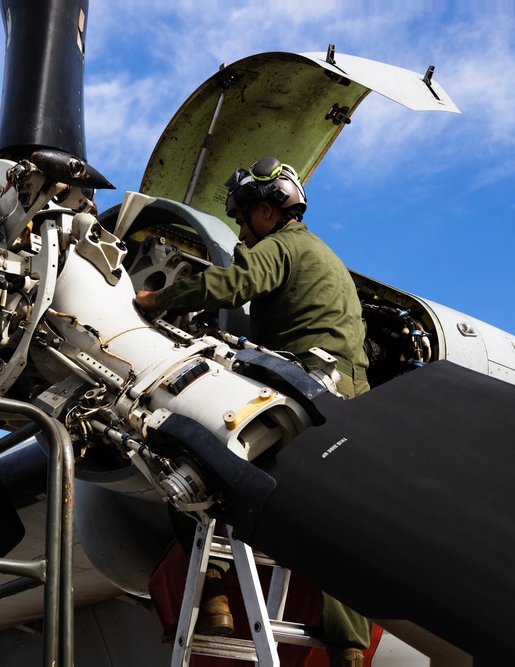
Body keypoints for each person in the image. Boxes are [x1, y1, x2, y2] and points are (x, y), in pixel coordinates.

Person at [136, 157, 372, 667]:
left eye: (244, 219)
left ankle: (213, 597)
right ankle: (348, 647)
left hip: (303, 386)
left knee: (177, 451)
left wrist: (158, 300)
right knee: (334, 524)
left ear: (267, 211)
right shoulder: (323, 256)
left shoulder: (281, 247)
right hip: (346, 397)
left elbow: (230, 286)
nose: (242, 231)